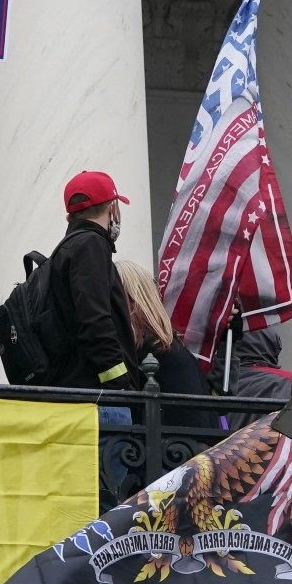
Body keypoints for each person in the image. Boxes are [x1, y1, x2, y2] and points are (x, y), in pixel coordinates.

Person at [45, 170, 144, 392]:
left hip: (82, 391)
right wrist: (121, 385)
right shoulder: (91, 245)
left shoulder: (68, 249)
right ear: (113, 208)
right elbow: (95, 321)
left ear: (70, 218)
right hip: (100, 396)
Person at [115, 258, 217, 429]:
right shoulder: (167, 345)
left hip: (177, 443)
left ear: (131, 299)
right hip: (191, 442)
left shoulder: (148, 350)